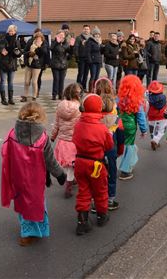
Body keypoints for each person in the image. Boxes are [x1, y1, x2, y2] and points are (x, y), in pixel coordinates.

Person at [1, 102, 66, 245]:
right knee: (37, 203)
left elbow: (5, 154)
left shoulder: (12, 134)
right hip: (36, 180)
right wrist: (60, 174)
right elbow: (50, 161)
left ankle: (27, 233)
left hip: (18, 178)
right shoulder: (42, 137)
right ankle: (38, 230)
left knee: (23, 203)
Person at [72, 94, 114, 235]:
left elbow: (74, 140)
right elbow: (109, 145)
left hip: (79, 162)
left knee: (83, 190)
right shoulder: (102, 128)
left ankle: (82, 220)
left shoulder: (78, 125)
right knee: (100, 191)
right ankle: (102, 215)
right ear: (99, 108)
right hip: (96, 164)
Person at [95, 78, 125, 211]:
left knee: (96, 175)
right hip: (111, 148)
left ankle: (96, 200)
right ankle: (110, 199)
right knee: (111, 174)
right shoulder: (116, 117)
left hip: (95, 150)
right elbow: (121, 136)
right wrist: (120, 150)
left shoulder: (92, 114)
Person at [50, 83, 82, 198]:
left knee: (67, 165)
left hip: (63, 141)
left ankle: (70, 180)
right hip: (74, 142)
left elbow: (56, 123)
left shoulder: (60, 106)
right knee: (72, 166)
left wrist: (53, 136)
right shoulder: (80, 108)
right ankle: (68, 185)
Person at [117, 75, 148, 180]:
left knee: (121, 144)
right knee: (129, 146)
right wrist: (144, 129)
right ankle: (125, 171)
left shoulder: (119, 99)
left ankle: (117, 162)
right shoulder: (137, 101)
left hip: (119, 124)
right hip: (131, 126)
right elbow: (141, 117)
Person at [0, 25, 22, 105]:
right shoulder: (2, 39)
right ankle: (3, 99)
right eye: (10, 30)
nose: (11, 32)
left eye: (12, 31)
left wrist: (17, 52)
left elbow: (19, 53)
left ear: (15, 32)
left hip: (12, 63)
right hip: (3, 63)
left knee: (11, 82)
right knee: (3, 81)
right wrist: (0, 50)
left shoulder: (16, 41)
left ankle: (10, 99)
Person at [22, 32, 47, 102]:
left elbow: (44, 53)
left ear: (42, 38)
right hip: (29, 64)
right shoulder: (31, 42)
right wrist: (29, 54)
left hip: (37, 65)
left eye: (39, 38)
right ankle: (25, 96)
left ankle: (34, 96)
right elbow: (25, 52)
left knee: (34, 82)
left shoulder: (44, 44)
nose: (37, 39)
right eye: (36, 38)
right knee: (26, 81)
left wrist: (39, 47)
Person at [50, 30, 72, 100]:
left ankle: (60, 94)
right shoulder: (54, 42)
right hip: (55, 64)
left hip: (63, 64)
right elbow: (51, 49)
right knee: (56, 79)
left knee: (61, 80)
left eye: (63, 35)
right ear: (57, 35)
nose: (61, 36)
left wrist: (72, 46)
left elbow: (70, 53)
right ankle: (54, 94)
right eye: (60, 35)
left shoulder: (66, 43)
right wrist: (57, 42)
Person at [147, 81, 167, 151]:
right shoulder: (164, 97)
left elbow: (147, 106)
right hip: (161, 116)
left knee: (152, 129)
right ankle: (156, 140)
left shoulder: (149, 97)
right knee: (162, 130)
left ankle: (154, 139)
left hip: (151, 116)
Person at [74, 25, 91, 91]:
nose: (86, 30)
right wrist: (77, 57)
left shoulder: (91, 38)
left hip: (88, 58)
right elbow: (76, 48)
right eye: (85, 29)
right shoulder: (79, 38)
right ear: (83, 30)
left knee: (86, 74)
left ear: (89, 30)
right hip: (81, 58)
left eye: (87, 29)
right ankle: (78, 87)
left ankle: (84, 87)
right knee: (81, 73)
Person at [87, 27, 103, 92]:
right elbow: (88, 52)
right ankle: (91, 90)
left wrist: (100, 44)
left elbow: (101, 52)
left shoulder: (99, 41)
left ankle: (95, 88)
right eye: (96, 34)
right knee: (93, 76)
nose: (97, 35)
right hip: (93, 61)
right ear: (93, 34)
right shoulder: (90, 41)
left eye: (98, 34)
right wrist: (90, 60)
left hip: (98, 61)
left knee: (97, 76)